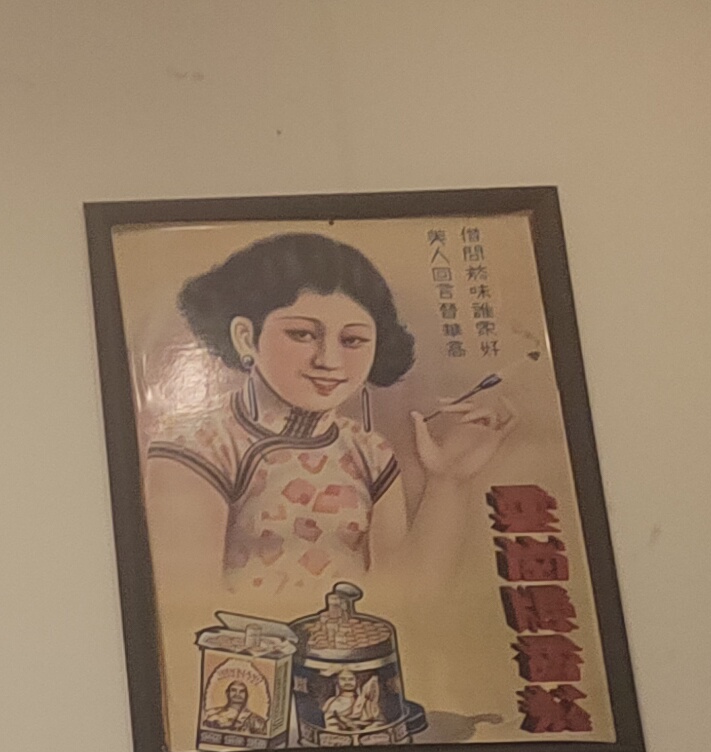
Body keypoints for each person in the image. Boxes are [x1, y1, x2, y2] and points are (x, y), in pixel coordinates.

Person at [139, 232, 513, 620]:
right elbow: (187, 611)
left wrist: (447, 480)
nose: (329, 360)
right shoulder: (197, 448)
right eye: (302, 334)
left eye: (352, 340)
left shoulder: (369, 452)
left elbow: (405, 599)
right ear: (246, 337)